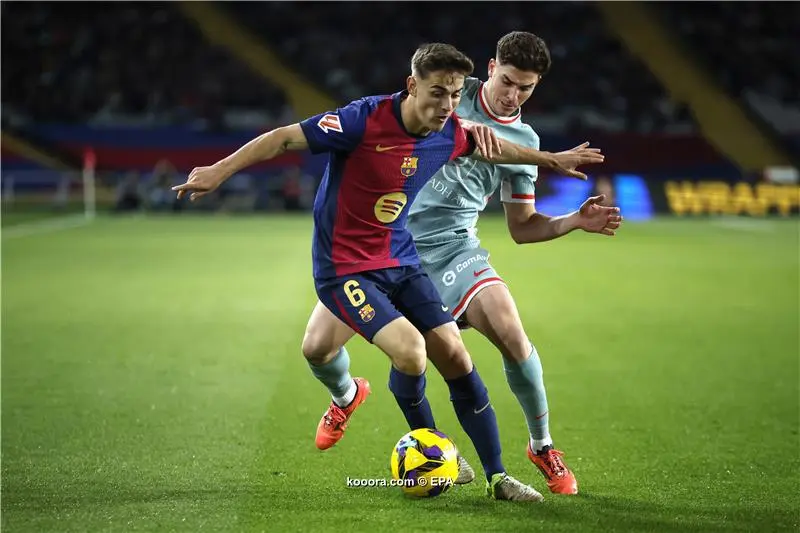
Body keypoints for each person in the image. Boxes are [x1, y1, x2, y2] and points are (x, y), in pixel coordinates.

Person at [172, 43, 603, 501]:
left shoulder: (453, 129)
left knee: (457, 354)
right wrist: (218, 171)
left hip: (407, 257)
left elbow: (491, 148)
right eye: (438, 93)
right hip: (347, 267)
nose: (447, 104)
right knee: (349, 349)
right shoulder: (363, 120)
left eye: (454, 95)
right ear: (412, 86)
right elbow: (282, 138)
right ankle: (374, 413)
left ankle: (501, 472)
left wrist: (554, 161)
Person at [406, 32, 624, 495]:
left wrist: (573, 221)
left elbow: (522, 227)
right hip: (394, 245)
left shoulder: (523, 141)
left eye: (525, 88)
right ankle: (345, 394)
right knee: (332, 348)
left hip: (454, 248)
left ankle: (542, 445)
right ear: (490, 67)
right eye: (507, 81)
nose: (512, 95)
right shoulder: (448, 95)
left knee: (512, 332)